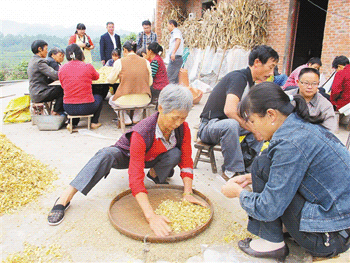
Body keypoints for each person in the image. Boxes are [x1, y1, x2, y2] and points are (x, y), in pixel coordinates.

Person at [47, 84, 207, 237]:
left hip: (154, 157)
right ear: (160, 108)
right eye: (175, 118)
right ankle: (64, 198)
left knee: (176, 154)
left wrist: (188, 192)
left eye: (183, 118)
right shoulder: (141, 133)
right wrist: (151, 216)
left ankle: (154, 174)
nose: (178, 123)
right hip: (128, 155)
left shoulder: (182, 128)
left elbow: (186, 160)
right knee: (105, 154)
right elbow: (135, 178)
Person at [221, 82, 350, 261]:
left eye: (252, 121)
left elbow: (268, 208)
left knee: (263, 169)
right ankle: (282, 230)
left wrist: (239, 193)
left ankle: (272, 244)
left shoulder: (290, 143)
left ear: (271, 115)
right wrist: (252, 178)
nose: (251, 127)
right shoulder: (298, 125)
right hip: (338, 222)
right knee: (262, 165)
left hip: (329, 237)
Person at [197, 45, 279, 181]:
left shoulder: (251, 84)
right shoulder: (239, 78)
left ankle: (247, 165)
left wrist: (257, 128)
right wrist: (251, 128)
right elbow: (229, 111)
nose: (271, 73)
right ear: (257, 63)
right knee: (232, 125)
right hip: (208, 127)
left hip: (224, 126)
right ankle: (231, 171)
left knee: (260, 126)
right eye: (270, 67)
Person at [107, 40, 152, 125]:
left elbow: (111, 80)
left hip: (124, 101)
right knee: (141, 99)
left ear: (125, 50)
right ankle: (136, 117)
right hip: (144, 100)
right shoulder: (145, 62)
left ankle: (126, 118)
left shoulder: (119, 62)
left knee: (111, 100)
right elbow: (150, 83)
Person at [58, 44, 103, 130]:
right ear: (81, 54)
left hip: (68, 107)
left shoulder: (61, 68)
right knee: (99, 97)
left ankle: (72, 124)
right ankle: (94, 122)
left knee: (75, 101)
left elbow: (63, 85)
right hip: (87, 107)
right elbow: (96, 77)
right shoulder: (87, 66)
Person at [285, 68, 336, 132]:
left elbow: (330, 132)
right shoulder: (285, 97)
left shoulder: (325, 105)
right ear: (298, 82)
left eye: (314, 84)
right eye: (306, 83)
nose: (310, 87)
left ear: (318, 84)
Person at [27, 40, 64, 115]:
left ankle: (57, 111)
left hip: (34, 92)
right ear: (40, 49)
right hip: (40, 93)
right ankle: (56, 112)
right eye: (46, 49)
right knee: (63, 89)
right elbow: (54, 75)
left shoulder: (33, 60)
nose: (47, 52)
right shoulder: (39, 62)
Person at [146, 42, 169, 106]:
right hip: (163, 85)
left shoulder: (155, 61)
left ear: (150, 51)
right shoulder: (157, 58)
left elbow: (151, 76)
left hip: (159, 87)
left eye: (147, 50)